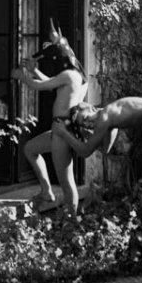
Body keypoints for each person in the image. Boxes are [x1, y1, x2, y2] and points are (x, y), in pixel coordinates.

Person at [53, 97, 142, 216]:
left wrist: (63, 133)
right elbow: (105, 149)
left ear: (90, 108)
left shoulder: (104, 116)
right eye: (84, 125)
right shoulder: (110, 116)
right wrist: (88, 136)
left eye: (85, 118)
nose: (88, 124)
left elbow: (85, 152)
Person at [11, 23, 87, 213]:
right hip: (58, 128)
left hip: (63, 130)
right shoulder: (74, 75)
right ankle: (46, 191)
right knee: (30, 149)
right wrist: (34, 70)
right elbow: (51, 83)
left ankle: (71, 223)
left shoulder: (69, 75)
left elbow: (40, 87)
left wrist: (22, 76)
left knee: (67, 182)